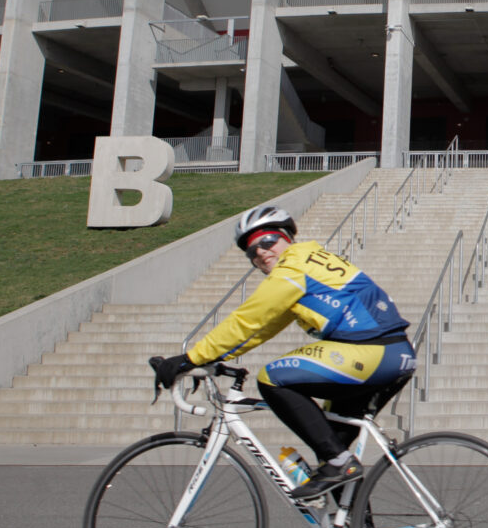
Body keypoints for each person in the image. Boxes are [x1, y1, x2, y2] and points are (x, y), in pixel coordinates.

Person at [150, 205, 414, 501]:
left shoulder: (293, 269)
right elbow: (263, 328)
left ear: (286, 237)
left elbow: (248, 320)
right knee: (330, 451)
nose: (260, 253)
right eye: (251, 252)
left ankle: (340, 467)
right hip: (391, 354)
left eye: (267, 241)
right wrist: (212, 357)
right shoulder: (310, 264)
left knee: (273, 377)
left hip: (371, 352)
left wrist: (190, 358)